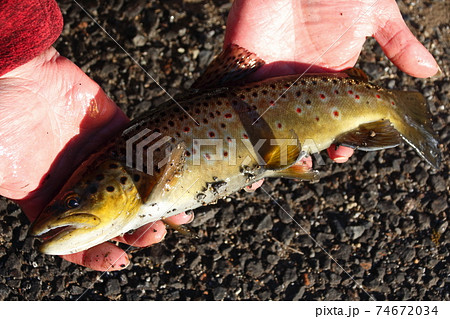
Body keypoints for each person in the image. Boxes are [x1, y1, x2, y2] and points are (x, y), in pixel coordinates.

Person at [0, 0, 439, 271]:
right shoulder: (130, 170)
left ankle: (388, 108)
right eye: (71, 203)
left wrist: (18, 59)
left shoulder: (139, 170)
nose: (62, 209)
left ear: (126, 180)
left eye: (73, 200)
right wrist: (17, 63)